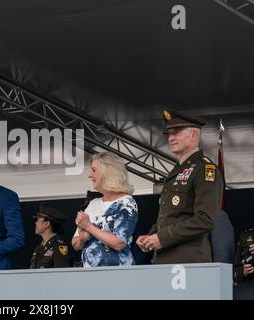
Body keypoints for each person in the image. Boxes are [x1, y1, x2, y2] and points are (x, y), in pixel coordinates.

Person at [136, 110, 224, 264]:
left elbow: (205, 219)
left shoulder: (205, 169)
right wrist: (152, 236)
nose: (171, 137)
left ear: (194, 135)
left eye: (177, 132)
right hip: (165, 258)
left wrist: (162, 238)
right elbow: (173, 216)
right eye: (169, 133)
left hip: (190, 260)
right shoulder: (177, 170)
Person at [71, 152, 138, 267]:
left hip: (116, 275)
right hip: (89, 276)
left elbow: (119, 243)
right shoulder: (93, 203)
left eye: (94, 170)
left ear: (108, 172)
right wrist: (82, 239)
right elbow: (75, 244)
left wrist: (89, 227)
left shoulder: (126, 202)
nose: (89, 175)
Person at [30, 204, 72, 269]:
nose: (35, 223)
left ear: (47, 224)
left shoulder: (59, 247)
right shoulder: (38, 248)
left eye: (38, 220)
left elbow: (62, 275)